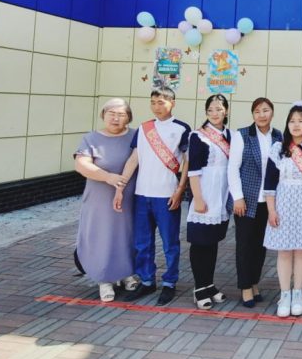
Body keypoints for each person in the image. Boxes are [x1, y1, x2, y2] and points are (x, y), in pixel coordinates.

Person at [113, 87, 190, 307]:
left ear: (172, 103)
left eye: (161, 102)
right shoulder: (144, 128)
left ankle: (169, 282)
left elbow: (187, 161)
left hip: (166, 195)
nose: (157, 107)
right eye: (153, 102)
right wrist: (120, 187)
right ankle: (147, 280)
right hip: (142, 194)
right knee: (142, 242)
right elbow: (133, 159)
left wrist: (180, 189)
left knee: (170, 242)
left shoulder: (182, 129)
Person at [263, 103, 302, 318]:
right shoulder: (278, 149)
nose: (296, 125)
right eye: (292, 121)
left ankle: (297, 293)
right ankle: (284, 294)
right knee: (284, 251)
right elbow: (270, 183)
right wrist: (271, 210)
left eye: (301, 121)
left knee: (301, 251)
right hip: (283, 203)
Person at [73, 98, 140, 302]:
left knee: (126, 235)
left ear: (128, 118)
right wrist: (107, 177)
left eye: (121, 114)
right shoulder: (91, 138)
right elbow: (81, 165)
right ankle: (104, 279)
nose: (115, 118)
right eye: (111, 113)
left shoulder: (135, 136)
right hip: (99, 199)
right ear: (104, 115)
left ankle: (127, 273)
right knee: (102, 236)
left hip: (128, 197)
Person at [228, 97, 281, 308]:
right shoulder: (242, 135)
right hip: (247, 200)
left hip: (268, 201)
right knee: (244, 245)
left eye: (265, 110)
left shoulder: (278, 136)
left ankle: (254, 282)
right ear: (253, 115)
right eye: (257, 111)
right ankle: (245, 287)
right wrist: (237, 197)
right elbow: (233, 168)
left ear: (272, 113)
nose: (261, 115)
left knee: (260, 245)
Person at [186, 94, 233, 309]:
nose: (215, 113)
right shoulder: (198, 136)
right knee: (200, 242)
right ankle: (199, 288)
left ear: (226, 111)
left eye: (219, 109)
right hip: (204, 192)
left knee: (212, 241)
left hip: (221, 194)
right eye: (210, 110)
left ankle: (209, 284)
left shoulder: (230, 136)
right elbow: (193, 170)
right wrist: (198, 198)